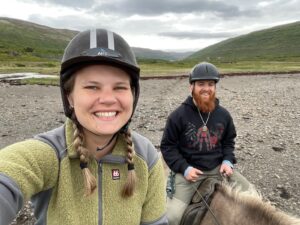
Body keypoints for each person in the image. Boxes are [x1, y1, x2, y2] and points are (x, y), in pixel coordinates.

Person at [0, 29, 168, 225]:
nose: (107, 99)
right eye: (92, 87)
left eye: (120, 87)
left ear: (133, 95)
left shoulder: (146, 156)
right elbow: (9, 173)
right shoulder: (50, 153)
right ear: (69, 96)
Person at [160, 62, 257, 225]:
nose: (206, 88)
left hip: (218, 169)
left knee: (253, 195)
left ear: (215, 87)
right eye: (201, 84)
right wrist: (184, 168)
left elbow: (228, 141)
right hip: (190, 174)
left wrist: (227, 160)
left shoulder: (224, 115)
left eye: (211, 84)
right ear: (191, 86)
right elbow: (168, 147)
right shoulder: (178, 116)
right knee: (172, 218)